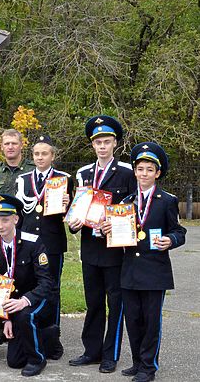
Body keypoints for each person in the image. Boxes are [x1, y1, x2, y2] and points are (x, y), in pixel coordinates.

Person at [100, 142, 186, 382]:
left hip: (155, 271)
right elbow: (118, 234)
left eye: (149, 169)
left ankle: (149, 367)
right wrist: (108, 228)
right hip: (129, 271)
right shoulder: (126, 201)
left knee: (151, 323)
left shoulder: (166, 200)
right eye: (140, 169)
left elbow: (179, 232)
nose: (144, 174)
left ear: (157, 173)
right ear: (135, 171)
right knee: (133, 320)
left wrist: (171, 239)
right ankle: (138, 362)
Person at [67, 115, 136, 373]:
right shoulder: (83, 173)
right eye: (98, 142)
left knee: (115, 304)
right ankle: (91, 350)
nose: (102, 146)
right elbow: (77, 208)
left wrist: (116, 223)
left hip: (115, 249)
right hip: (90, 249)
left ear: (115, 143)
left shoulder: (127, 172)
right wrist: (73, 222)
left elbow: (133, 209)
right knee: (93, 302)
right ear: (92, 145)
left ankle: (111, 354)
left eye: (107, 141)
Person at [15, 134, 74, 358]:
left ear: (53, 156)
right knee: (29, 285)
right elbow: (19, 214)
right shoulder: (23, 179)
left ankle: (52, 338)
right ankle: (30, 332)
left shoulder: (64, 178)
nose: (40, 157)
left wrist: (68, 207)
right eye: (37, 154)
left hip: (52, 243)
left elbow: (72, 215)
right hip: (29, 244)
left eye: (45, 154)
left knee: (53, 290)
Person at [0, 193, 54, 377]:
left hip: (36, 298)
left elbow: (47, 282)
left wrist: (25, 300)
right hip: (11, 304)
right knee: (14, 362)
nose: (0, 226)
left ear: (16, 219)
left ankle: (37, 359)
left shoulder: (33, 242)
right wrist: (6, 318)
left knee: (24, 316)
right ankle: (46, 337)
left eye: (5, 220)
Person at [0, 128, 34, 347]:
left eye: (14, 143)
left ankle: (22, 325)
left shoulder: (32, 170)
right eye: (6, 144)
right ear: (1, 147)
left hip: (22, 239)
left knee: (21, 280)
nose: (10, 147)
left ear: (22, 145)